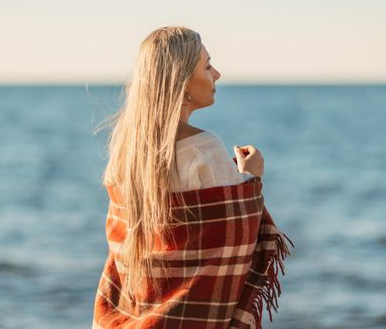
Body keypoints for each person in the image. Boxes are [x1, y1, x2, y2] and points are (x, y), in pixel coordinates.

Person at [92, 26, 291, 329]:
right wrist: (251, 177)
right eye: (208, 66)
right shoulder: (203, 149)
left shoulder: (125, 154)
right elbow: (237, 245)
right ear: (181, 81)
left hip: (130, 318)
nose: (218, 74)